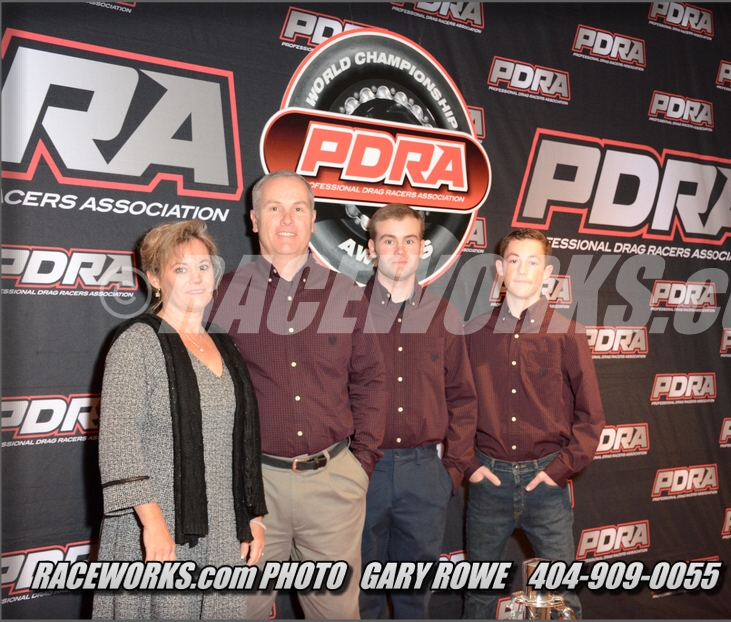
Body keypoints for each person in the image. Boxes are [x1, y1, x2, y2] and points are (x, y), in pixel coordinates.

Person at [210, 170, 385, 620]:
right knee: (242, 612)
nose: (287, 220)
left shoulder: (347, 294)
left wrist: (361, 464)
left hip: (333, 484)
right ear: (254, 219)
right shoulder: (222, 294)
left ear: (312, 219)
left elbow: (370, 381)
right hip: (252, 489)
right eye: (274, 208)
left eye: (298, 209)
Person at [93, 220, 267, 620]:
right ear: (155, 278)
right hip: (157, 523)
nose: (197, 278)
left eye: (203, 267)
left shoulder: (223, 341)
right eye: (181, 268)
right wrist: (153, 525)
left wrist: (253, 515)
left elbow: (241, 440)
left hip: (222, 526)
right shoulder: (137, 342)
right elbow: (119, 439)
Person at [462, 229, 606, 619]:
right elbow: (454, 406)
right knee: (478, 597)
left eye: (533, 261)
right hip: (488, 483)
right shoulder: (472, 333)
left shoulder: (568, 333)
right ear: (499, 269)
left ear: (548, 272)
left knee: (563, 599)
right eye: (513, 260)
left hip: (547, 486)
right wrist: (469, 464)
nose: (522, 270)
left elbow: (591, 416)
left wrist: (559, 470)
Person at [359, 204, 477, 619]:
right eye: (389, 240)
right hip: (362, 473)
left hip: (424, 475)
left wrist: (452, 471)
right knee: (362, 597)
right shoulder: (346, 312)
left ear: (422, 247)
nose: (400, 251)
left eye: (409, 240)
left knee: (414, 600)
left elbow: (463, 398)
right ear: (371, 248)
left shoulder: (443, 315)